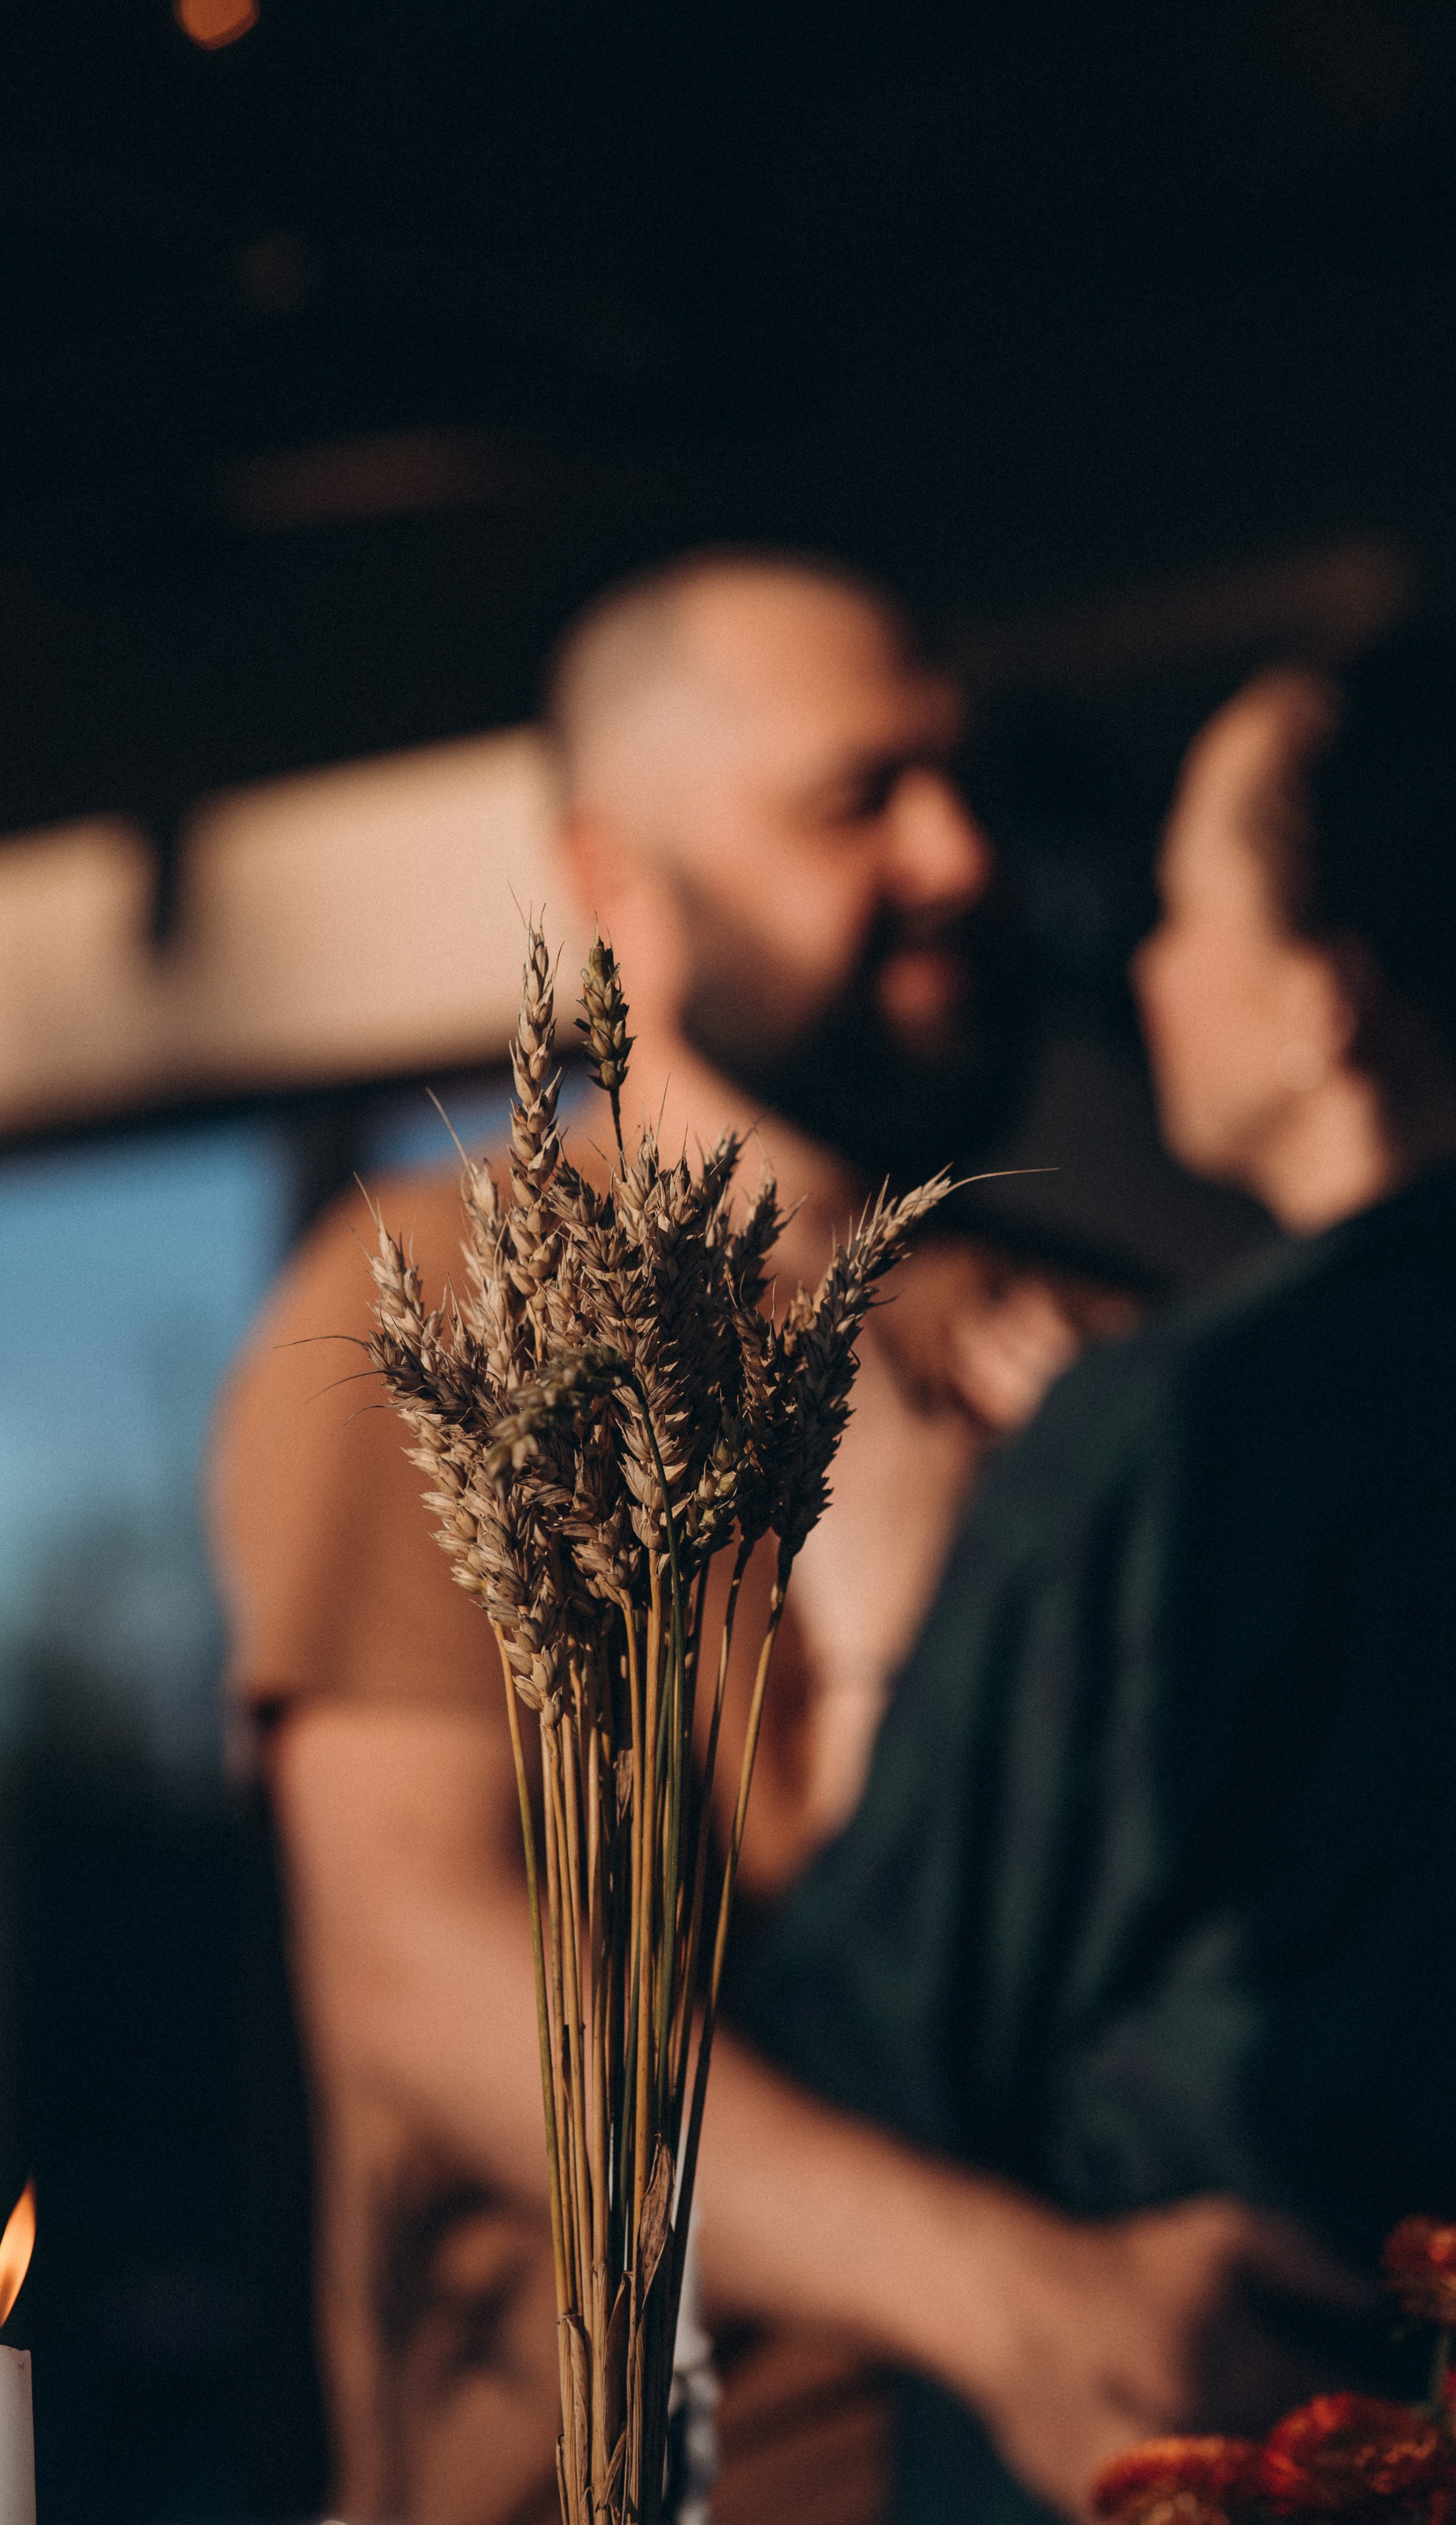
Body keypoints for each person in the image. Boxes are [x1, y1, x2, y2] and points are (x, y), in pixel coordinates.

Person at [695, 622, 1456, 2525]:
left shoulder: (1177, 1442)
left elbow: (869, 2054)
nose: (1145, 963)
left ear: (1334, 999)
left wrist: (904, 1620)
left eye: (1180, 901)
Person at [209, 550, 1137, 2525]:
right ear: (614, 874)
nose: (960, 854)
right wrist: (1023, 2311)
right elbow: (413, 1968)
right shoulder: (442, 1310)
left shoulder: (1099, 1353)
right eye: (852, 798)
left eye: (960, 782)